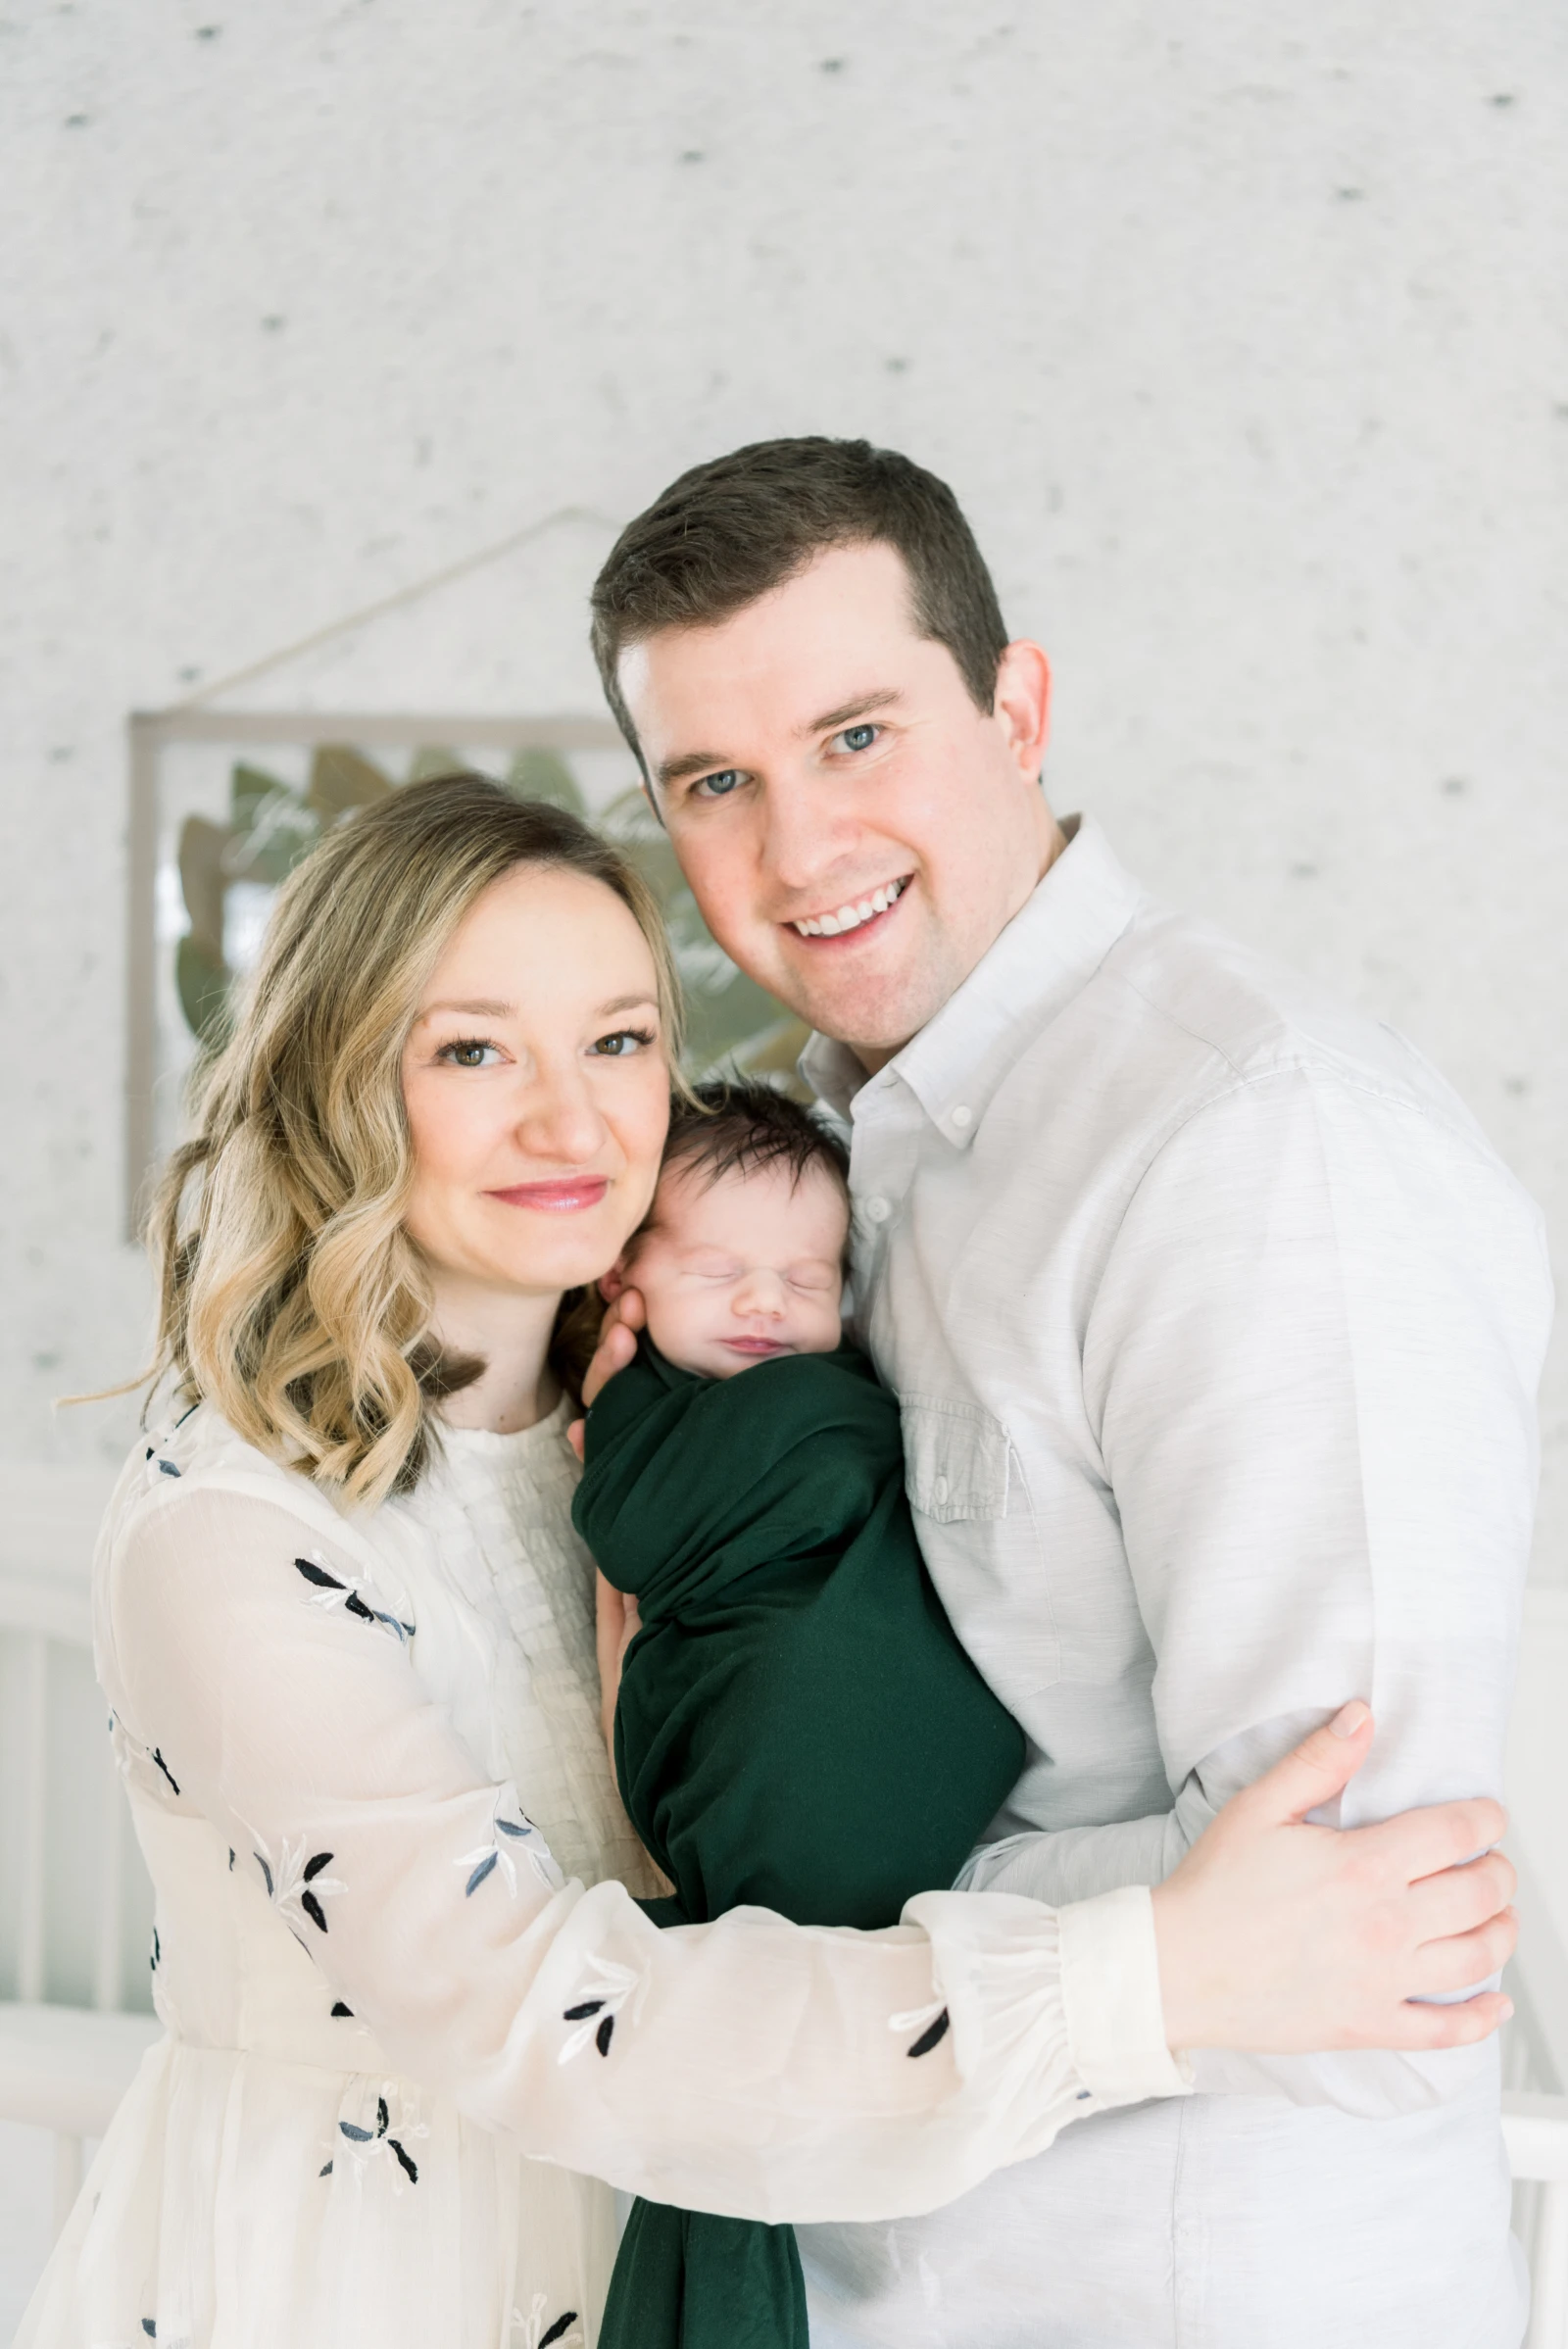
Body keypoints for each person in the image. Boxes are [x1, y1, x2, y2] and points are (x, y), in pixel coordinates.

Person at [18, 775, 1517, 2349]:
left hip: (682, 2255)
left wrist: (1218, 1913)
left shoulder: (694, 1450)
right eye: (472, 1050)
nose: (572, 1121)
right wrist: (1156, 1979)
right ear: (337, 1081)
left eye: (618, 1041)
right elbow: (544, 2015)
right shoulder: (233, 1526)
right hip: (365, 2283)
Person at [583, 436, 1555, 2348]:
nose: (796, 849)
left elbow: (1365, 1948)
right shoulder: (828, 1175)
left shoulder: (1251, 1143)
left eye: (856, 736)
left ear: (1015, 708)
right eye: (715, 782)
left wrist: (780, 1879)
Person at [574, 1081, 1027, 2349]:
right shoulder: (636, 1416)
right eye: (718, 1273)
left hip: (885, 1728)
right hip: (753, 1737)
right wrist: (621, 1423)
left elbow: (855, 1488)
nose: (766, 1305)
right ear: (626, 1283)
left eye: (805, 1279)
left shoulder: (846, 1401)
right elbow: (634, 1530)